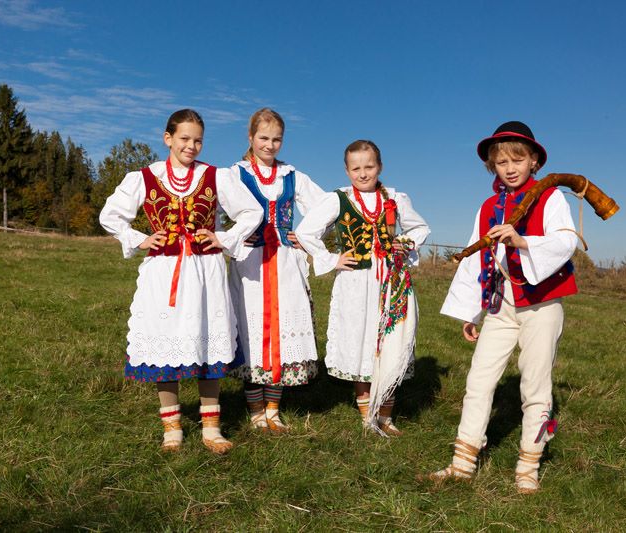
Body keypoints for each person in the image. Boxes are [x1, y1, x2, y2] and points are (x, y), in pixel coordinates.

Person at [99, 108, 263, 454]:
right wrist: (139, 238)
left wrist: (224, 237)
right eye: (184, 138)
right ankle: (171, 428)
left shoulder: (215, 177)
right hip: (164, 271)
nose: (191, 146)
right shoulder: (144, 177)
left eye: (198, 140)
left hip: (206, 270)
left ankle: (211, 428)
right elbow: (110, 215)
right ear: (168, 138)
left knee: (208, 342)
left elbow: (252, 212)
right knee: (165, 343)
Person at [427, 121, 578, 493]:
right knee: (479, 378)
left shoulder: (550, 198)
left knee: (535, 383)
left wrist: (522, 241)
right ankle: (463, 461)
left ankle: (528, 465)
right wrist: (471, 311)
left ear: (533, 161)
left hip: (542, 304)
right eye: (501, 162)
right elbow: (474, 256)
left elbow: (565, 243)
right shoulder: (489, 206)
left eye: (517, 159)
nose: (509, 168)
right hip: (501, 302)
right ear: (492, 166)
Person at [295, 140, 430, 436]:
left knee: (389, 343)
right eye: (356, 168)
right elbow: (306, 231)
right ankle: (367, 416)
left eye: (369, 166)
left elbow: (420, 228)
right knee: (361, 341)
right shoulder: (338, 198)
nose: (363, 173)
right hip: (355, 284)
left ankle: (387, 416)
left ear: (379, 166)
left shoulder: (395, 198)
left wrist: (405, 244)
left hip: (390, 281)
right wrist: (331, 258)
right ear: (346, 170)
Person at [228, 108, 326, 432]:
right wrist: (234, 236)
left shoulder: (292, 176)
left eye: (276, 139)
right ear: (251, 137)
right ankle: (255, 409)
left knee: (282, 329)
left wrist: (307, 236)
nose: (270, 145)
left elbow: (326, 207)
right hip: (251, 263)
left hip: (284, 261)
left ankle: (273, 408)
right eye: (263, 138)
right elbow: (217, 209)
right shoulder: (237, 174)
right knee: (253, 330)